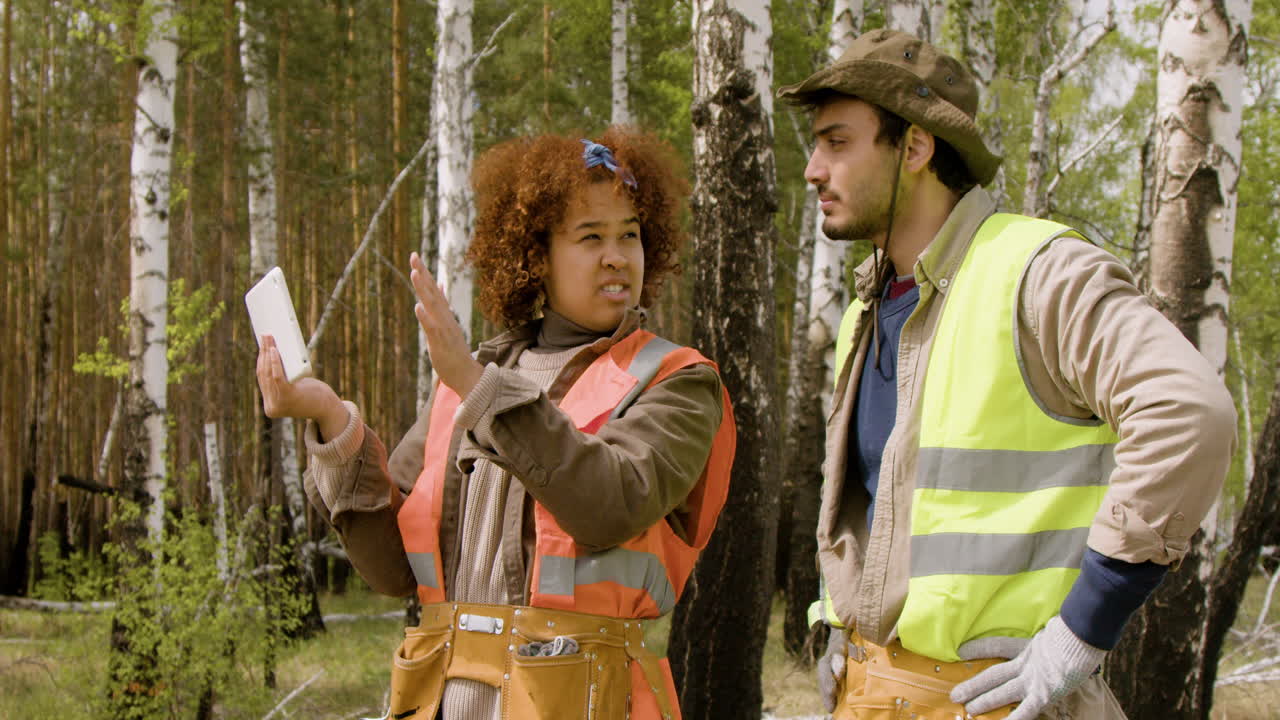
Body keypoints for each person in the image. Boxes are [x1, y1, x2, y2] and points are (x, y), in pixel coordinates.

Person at [776, 29, 1235, 720]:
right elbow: (879, 503)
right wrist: (841, 622)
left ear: (917, 148)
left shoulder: (1038, 272)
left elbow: (1189, 412)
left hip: (1003, 702)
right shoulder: (865, 313)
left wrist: (1084, 628)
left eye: (837, 141)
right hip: (871, 697)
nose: (813, 168)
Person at [254, 126, 735, 720]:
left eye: (629, 235)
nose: (616, 256)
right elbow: (391, 567)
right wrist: (329, 417)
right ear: (537, 258)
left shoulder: (678, 381)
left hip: (588, 703)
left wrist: (478, 387)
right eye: (590, 237)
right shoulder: (471, 380)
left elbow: (610, 502)